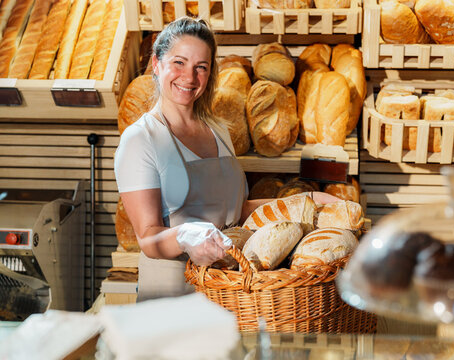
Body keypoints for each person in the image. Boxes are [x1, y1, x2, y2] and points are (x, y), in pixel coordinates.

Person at [114, 17, 340, 301]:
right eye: (179, 63)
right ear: (157, 64)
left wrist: (302, 202)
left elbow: (235, 212)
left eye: (201, 67)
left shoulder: (217, 129)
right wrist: (185, 236)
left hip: (229, 288)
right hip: (172, 292)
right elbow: (147, 238)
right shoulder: (141, 139)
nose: (189, 77)